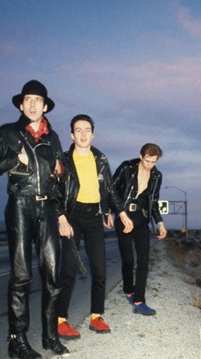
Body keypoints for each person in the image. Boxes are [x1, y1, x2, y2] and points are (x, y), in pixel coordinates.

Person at [0, 79, 69, 359]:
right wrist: (14, 159)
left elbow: (57, 177)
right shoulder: (7, 132)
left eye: (38, 100)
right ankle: (17, 340)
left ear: (45, 106)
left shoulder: (53, 137)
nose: (33, 104)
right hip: (20, 206)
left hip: (47, 210)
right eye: (28, 100)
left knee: (54, 277)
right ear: (21, 104)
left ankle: (50, 335)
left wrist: (60, 173)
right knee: (21, 277)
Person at [56, 114, 133, 339]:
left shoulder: (101, 159)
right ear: (72, 135)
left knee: (100, 270)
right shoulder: (63, 159)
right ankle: (60, 320)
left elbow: (109, 189)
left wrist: (118, 212)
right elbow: (55, 193)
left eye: (87, 130)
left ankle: (96, 316)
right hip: (71, 217)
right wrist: (61, 218)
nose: (82, 134)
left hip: (94, 218)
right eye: (78, 130)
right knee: (68, 270)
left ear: (93, 134)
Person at [112, 143, 168, 316]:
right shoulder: (126, 167)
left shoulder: (157, 176)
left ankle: (139, 300)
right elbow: (111, 190)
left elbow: (153, 201)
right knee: (128, 260)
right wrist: (113, 212)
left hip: (141, 220)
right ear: (140, 156)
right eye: (147, 161)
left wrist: (160, 223)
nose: (150, 165)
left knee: (143, 261)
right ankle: (128, 289)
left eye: (153, 162)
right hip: (124, 217)